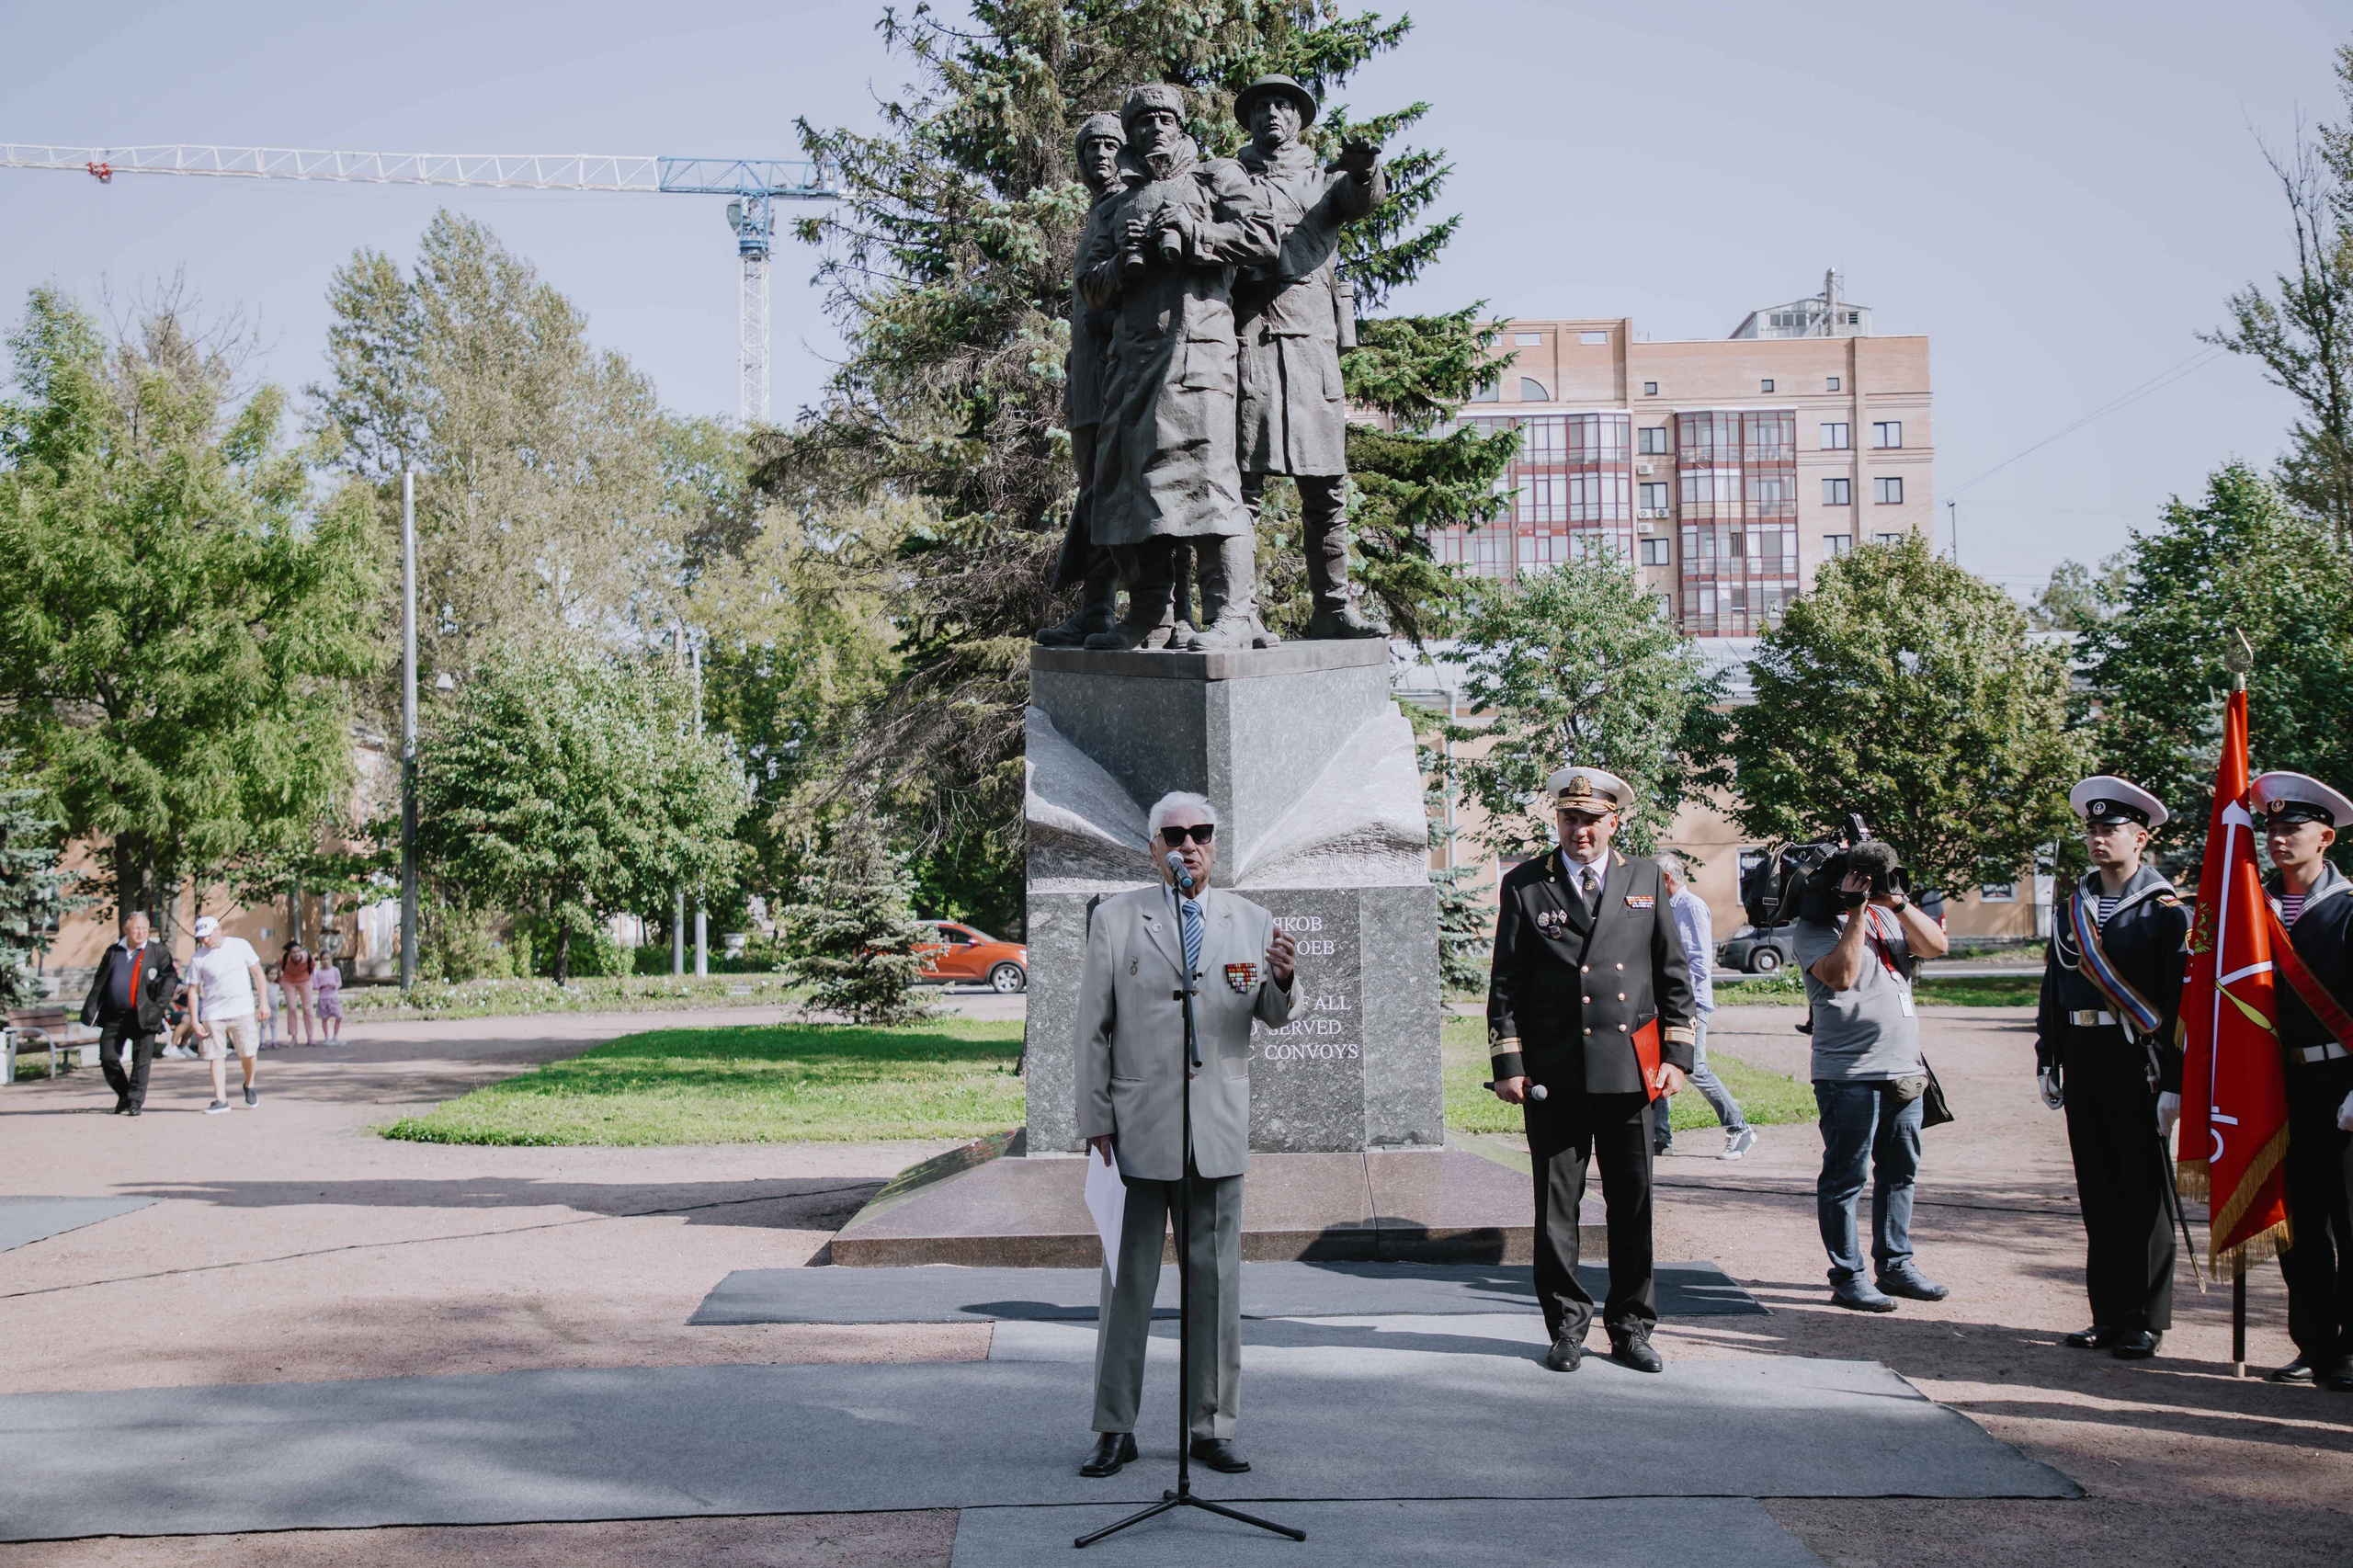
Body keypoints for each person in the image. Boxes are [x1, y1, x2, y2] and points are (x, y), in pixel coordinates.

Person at [1073, 790, 1302, 1478]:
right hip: (1138, 1132)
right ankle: (1116, 1426)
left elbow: (1269, 1014)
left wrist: (1284, 980)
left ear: (1215, 844)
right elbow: (1091, 1029)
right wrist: (1096, 1120)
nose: (1188, 845)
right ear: (1153, 847)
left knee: (1216, 1287)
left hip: (1217, 1134)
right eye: (1173, 836)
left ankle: (1211, 1426)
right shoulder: (1116, 921)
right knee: (1127, 1288)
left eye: (1201, 833)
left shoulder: (1251, 920)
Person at [1487, 766, 1696, 1374]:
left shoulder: (1645, 879)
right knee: (1556, 1212)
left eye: (1591, 819)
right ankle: (1566, 1329)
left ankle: (1631, 1328)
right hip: (1554, 1074)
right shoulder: (1527, 884)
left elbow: (1672, 975)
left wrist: (1678, 1058)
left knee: (1633, 1206)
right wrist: (1509, 1064)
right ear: (1557, 820)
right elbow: (1506, 984)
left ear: (1615, 821)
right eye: (1569, 818)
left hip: (1631, 1071)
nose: (1579, 830)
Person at [1077, 85, 1281, 652]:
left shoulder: (1217, 178)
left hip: (1198, 355)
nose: (1155, 130)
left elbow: (1265, 240)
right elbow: (1090, 289)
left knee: (1210, 481)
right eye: (1143, 123)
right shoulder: (1116, 204)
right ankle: (1151, 615)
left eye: (1165, 119)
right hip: (1132, 364)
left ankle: (1232, 614)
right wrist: (1121, 263)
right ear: (1132, 133)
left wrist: (1196, 234)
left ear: (1181, 125)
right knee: (1127, 489)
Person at [1230, 73, 1388, 644]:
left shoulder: (1325, 182)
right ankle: (1238, 613)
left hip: (1314, 352)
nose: (1273, 113)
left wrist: (1364, 169)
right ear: (1248, 118)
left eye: (1284, 105)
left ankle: (1334, 607)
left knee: (1326, 489)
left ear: (1300, 118)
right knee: (1241, 488)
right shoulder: (1230, 177)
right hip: (1251, 345)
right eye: (1263, 105)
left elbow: (1357, 197)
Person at [2035, 776, 2189, 1360]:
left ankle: (2144, 1320)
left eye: (2111, 830)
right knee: (2098, 1189)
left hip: (2139, 1060)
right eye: (2093, 830)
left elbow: (2180, 1006)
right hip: (2084, 1056)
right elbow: (2056, 984)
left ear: (2141, 838)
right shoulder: (2074, 903)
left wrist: (2174, 1081)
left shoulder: (2165, 912)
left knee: (2143, 1192)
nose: (2099, 840)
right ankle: (2108, 1313)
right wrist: (2048, 1054)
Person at [1794, 836, 1952, 1312]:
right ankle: (1848, 1275)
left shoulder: (1890, 914)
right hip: (1849, 1073)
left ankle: (1896, 1265)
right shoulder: (1814, 928)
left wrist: (1896, 903)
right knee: (1846, 1178)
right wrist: (1856, 911)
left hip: (1904, 1068)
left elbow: (1937, 945)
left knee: (1900, 1172)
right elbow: (1842, 976)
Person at [2249, 770, 2353, 1392]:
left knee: (2350, 1225)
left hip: (2341, 1085)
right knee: (2298, 1226)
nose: (2279, 838)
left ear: (2326, 837)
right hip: (2276, 1087)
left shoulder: (2347, 911)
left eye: (2292, 828)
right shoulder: (2247, 907)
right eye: (2272, 827)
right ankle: (2313, 1344)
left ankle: (2348, 1343)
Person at [1034, 112, 1130, 649]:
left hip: (1121, 372)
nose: (1099, 155)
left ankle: (1149, 609)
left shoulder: (1126, 205)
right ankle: (1096, 608)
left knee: (1113, 493)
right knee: (1095, 493)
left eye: (1110, 145)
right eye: (1090, 147)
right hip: (1088, 383)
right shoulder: (1096, 212)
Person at [1651, 852, 1752, 1160]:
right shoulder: (1665, 907)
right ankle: (1660, 1137)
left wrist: (1684, 1003)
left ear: (1666, 878)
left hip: (1690, 1003)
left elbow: (1698, 961)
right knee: (1658, 1065)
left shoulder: (1691, 906)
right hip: (1666, 1003)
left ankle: (1739, 1128)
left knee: (1694, 1066)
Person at [79, 910, 176, 1116]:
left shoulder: (157, 951)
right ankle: (124, 1094)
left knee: (141, 1061)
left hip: (143, 1014)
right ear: (126, 929)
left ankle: (135, 1102)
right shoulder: (114, 951)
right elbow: (101, 978)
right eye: (136, 928)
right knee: (107, 1057)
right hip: (115, 1015)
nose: (140, 932)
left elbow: (170, 979)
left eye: (144, 928)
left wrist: (159, 1005)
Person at [186, 915, 271, 1114]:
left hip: (242, 1009)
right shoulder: (198, 958)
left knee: (248, 1053)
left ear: (218, 930)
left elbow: (258, 974)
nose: (205, 940)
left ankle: (249, 1084)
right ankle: (221, 1099)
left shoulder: (240, 946)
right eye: (201, 937)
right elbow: (193, 990)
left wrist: (263, 1003)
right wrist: (194, 1019)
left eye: (208, 935)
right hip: (213, 1013)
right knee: (216, 1055)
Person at [278, 941, 316, 1047]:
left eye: (299, 951)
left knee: (307, 1009)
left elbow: (312, 967)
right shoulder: (285, 959)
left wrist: (309, 978)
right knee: (292, 1008)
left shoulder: (308, 958)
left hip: (305, 980)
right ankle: (294, 1037)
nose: (297, 954)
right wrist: (280, 979)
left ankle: (310, 1036)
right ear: (290, 954)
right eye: (294, 952)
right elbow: (279, 965)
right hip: (289, 981)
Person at [313, 953, 345, 1043]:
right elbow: (315, 985)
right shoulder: (319, 973)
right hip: (323, 998)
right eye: (324, 959)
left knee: (339, 1016)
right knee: (324, 1018)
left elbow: (339, 982)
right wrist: (321, 985)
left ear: (331, 959)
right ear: (321, 960)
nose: (326, 961)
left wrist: (334, 985)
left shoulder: (335, 970)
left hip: (333, 997)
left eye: (327, 959)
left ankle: (335, 1036)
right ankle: (326, 1037)